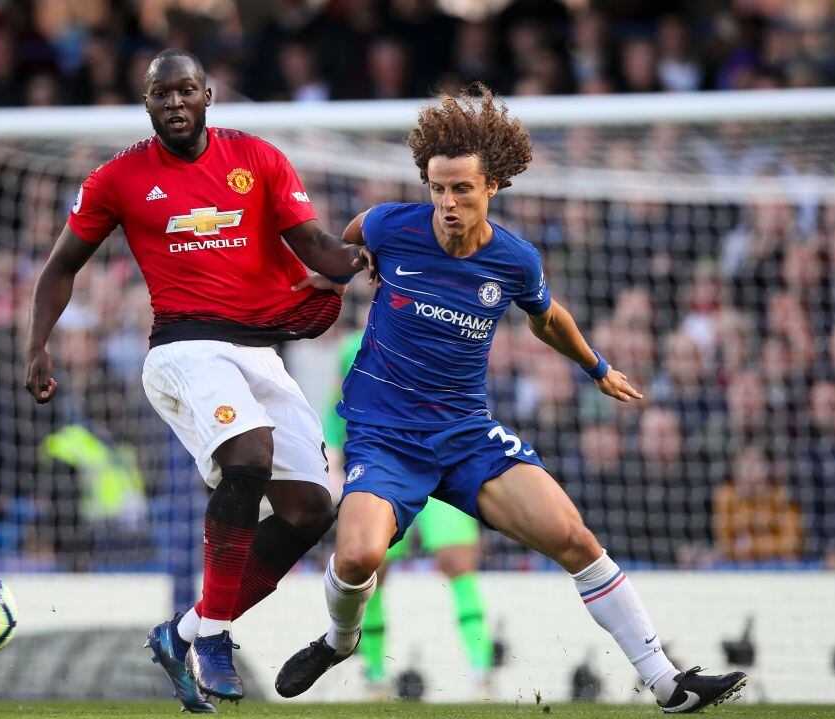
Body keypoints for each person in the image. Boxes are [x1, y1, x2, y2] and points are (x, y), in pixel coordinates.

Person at [275, 85, 748, 714]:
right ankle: (341, 639)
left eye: (461, 189)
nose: (447, 202)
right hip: (386, 436)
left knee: (575, 538)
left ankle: (667, 683)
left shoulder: (514, 260)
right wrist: (356, 257)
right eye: (438, 188)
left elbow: (546, 318)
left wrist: (596, 366)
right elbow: (354, 236)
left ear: (490, 187)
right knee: (357, 554)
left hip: (467, 436)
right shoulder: (392, 225)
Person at [24, 49, 371, 711]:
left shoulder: (258, 159)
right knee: (248, 458)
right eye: (162, 94)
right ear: (148, 103)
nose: (175, 103)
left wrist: (377, 247)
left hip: (259, 351)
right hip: (182, 349)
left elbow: (321, 252)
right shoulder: (118, 178)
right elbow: (60, 266)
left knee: (310, 509)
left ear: (208, 94)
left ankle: (181, 629)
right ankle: (214, 636)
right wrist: (38, 344)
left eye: (186, 90)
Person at [325, 329, 494, 697]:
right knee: (372, 566)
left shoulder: (447, 327)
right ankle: (373, 676)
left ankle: (482, 673)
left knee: (458, 561)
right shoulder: (354, 345)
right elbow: (339, 402)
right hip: (387, 465)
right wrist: (334, 456)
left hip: (443, 460)